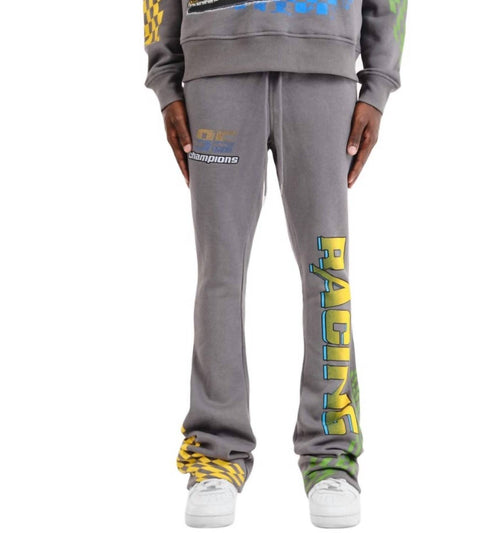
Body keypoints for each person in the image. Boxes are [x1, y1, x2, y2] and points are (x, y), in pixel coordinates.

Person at [143, 0, 407, 527]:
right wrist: (166, 79)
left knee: (326, 269)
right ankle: (215, 452)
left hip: (324, 70)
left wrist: (378, 83)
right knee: (219, 272)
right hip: (215, 72)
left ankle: (331, 454)